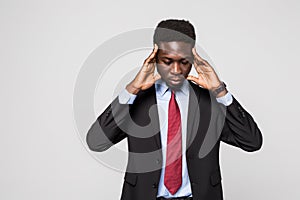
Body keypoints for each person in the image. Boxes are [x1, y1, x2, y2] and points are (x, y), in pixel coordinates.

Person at [86, 19, 263, 200]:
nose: (176, 70)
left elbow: (252, 142)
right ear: (154, 58)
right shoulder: (136, 101)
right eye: (167, 61)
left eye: (184, 62)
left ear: (193, 59)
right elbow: (96, 141)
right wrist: (133, 88)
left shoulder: (209, 102)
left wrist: (220, 90)